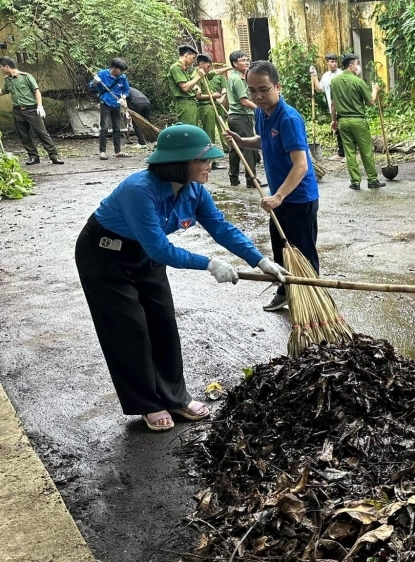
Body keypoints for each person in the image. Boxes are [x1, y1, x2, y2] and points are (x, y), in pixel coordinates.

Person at [74, 124, 289, 432]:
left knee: (162, 322)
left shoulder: (194, 191)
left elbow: (221, 227)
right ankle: (148, 403)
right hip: (105, 256)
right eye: (202, 161)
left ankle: (175, 398)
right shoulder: (140, 190)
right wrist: (209, 264)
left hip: (145, 254)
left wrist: (260, 260)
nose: (210, 166)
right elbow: (160, 248)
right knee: (129, 328)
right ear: (179, 162)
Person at [225, 61, 320, 312]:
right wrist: (242, 140)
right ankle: (285, 290)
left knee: (303, 253)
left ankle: (313, 300)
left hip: (298, 197)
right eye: (252, 90)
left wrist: (278, 196)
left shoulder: (288, 118)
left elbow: (301, 165)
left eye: (264, 89)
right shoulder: (260, 112)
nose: (258, 96)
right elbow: (264, 141)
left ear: (278, 86)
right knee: (280, 250)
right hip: (279, 197)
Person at [329, 54, 385, 190]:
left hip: (343, 122)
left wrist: (334, 120)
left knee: (349, 153)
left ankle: (355, 182)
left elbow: (333, 104)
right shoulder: (358, 81)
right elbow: (370, 101)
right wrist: (375, 90)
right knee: (366, 151)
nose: (358, 66)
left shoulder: (335, 82)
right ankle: (372, 180)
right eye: (357, 63)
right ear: (351, 66)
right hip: (358, 120)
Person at [0, 56, 63, 165]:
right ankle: (33, 156)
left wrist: (40, 106)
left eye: (1, 67)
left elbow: (36, 91)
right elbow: (3, 91)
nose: (1, 70)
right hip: (18, 111)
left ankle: (54, 156)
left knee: (42, 133)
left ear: (6, 67)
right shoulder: (8, 80)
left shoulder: (26, 77)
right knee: (23, 135)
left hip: (31, 109)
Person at [226, 50, 261, 187]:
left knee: (235, 147)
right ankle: (251, 180)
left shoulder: (232, 77)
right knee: (249, 148)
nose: (247, 62)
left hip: (233, 117)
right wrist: (260, 109)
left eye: (247, 59)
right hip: (241, 117)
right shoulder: (238, 80)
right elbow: (244, 101)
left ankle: (233, 178)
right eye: (243, 60)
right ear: (235, 63)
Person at [90, 57, 131, 160]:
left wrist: (123, 97)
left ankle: (118, 151)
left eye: (123, 71)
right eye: (120, 70)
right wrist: (95, 82)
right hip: (105, 102)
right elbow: (91, 87)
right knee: (104, 127)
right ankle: (102, 152)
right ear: (114, 68)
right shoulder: (102, 74)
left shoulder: (122, 77)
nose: (121, 72)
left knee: (117, 128)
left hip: (116, 104)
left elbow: (126, 90)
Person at [193, 53, 228, 170]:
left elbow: (217, 72)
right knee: (209, 134)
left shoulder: (205, 73)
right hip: (205, 107)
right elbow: (198, 96)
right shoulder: (196, 75)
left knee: (212, 132)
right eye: (208, 66)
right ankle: (209, 161)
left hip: (210, 106)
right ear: (201, 64)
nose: (210, 69)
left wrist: (230, 67)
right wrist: (212, 95)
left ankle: (212, 160)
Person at [310, 53, 345, 161]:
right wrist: (314, 76)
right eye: (332, 62)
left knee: (344, 129)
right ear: (327, 63)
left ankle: (348, 154)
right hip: (333, 106)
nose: (334, 64)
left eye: (335, 62)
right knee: (338, 130)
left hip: (343, 106)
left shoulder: (341, 74)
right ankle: (341, 153)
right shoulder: (325, 76)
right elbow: (319, 89)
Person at [168, 45, 204, 126]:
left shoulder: (183, 68)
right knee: (188, 131)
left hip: (190, 102)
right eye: (193, 58)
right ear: (186, 55)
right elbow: (185, 87)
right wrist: (198, 76)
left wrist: (195, 86)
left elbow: (188, 84)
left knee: (194, 129)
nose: (193, 60)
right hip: (184, 103)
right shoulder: (176, 67)